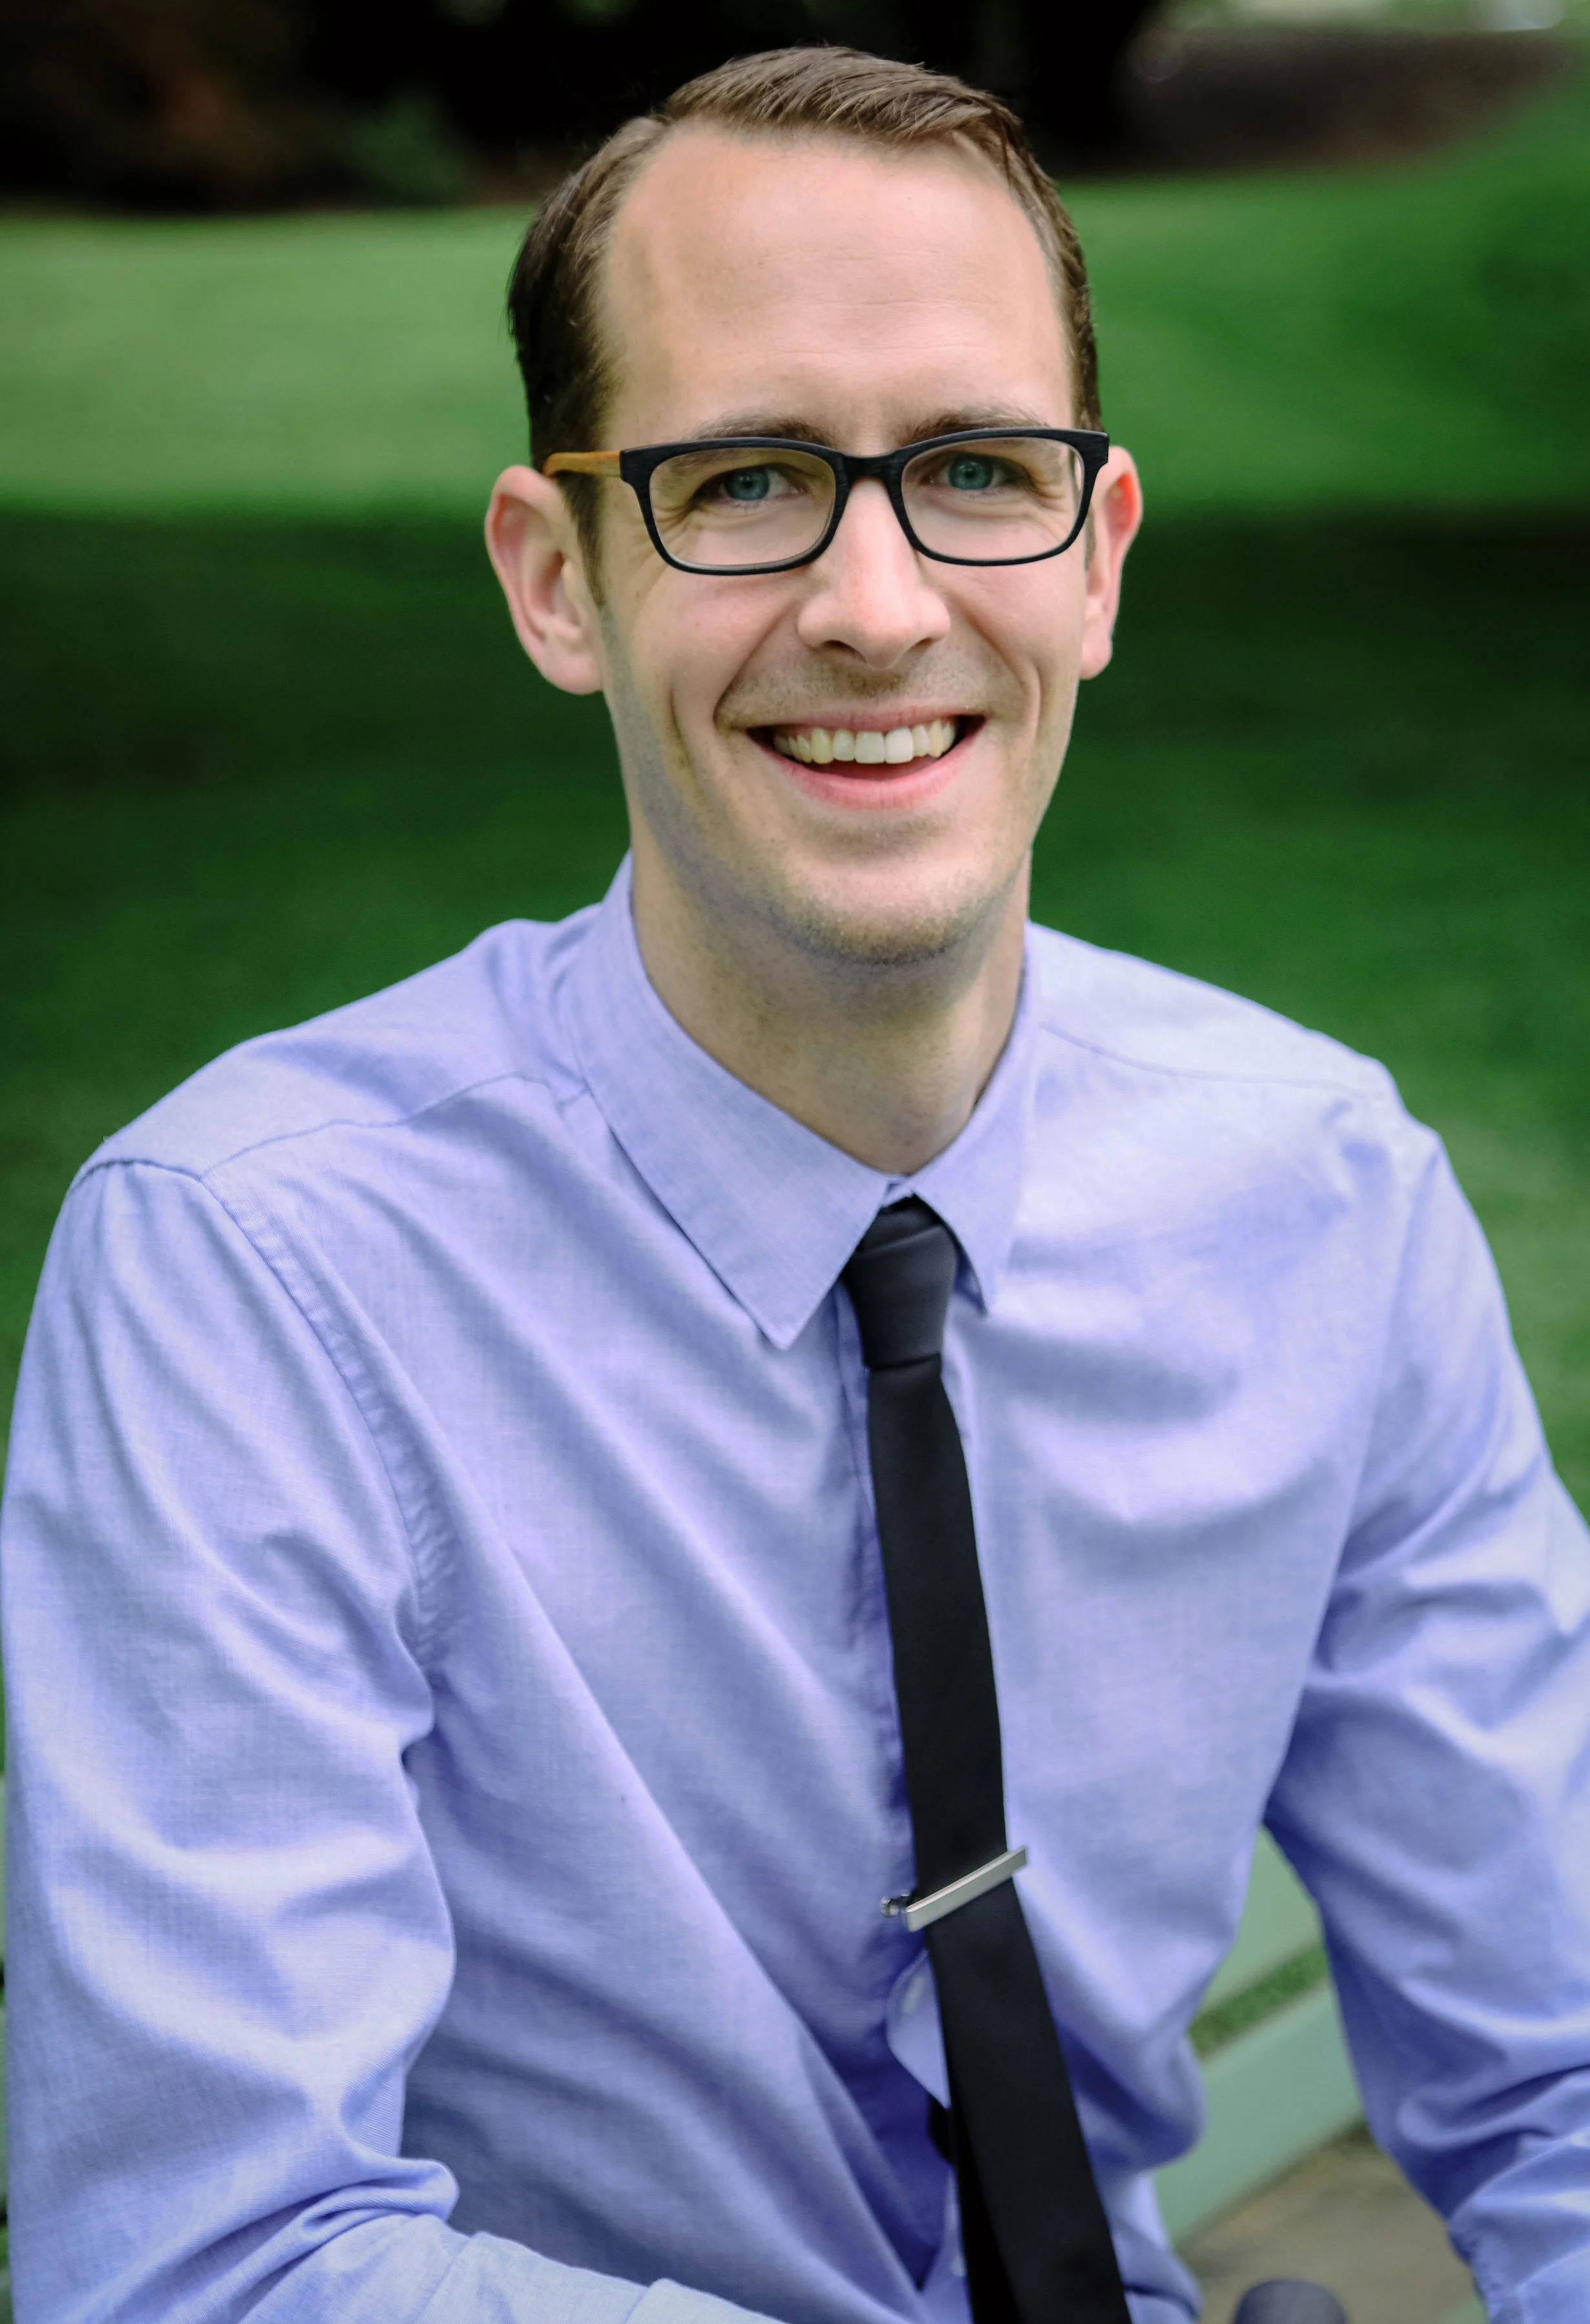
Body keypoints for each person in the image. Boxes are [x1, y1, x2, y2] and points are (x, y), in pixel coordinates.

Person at [3, 43, 1588, 2324]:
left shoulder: (1319, 1194)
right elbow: (211, 2267)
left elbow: (1553, 2072)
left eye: (970, 470)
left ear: (1098, 559)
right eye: (743, 478)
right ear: (561, 581)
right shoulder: (253, 1273)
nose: (872, 602)